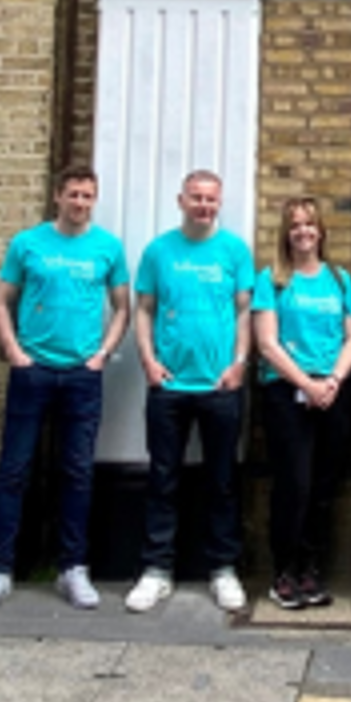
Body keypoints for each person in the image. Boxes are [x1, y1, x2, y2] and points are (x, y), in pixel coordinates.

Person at [0, 166, 130, 618]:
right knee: (13, 471)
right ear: (57, 197)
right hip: (33, 370)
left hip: (82, 374)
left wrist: (102, 354)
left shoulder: (107, 247)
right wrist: (14, 351)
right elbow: (0, 301)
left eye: (88, 196)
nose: (80, 203)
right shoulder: (28, 243)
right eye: (73, 194)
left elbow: (123, 306)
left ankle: (73, 567)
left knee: (76, 473)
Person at [125, 169, 255, 616]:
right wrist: (148, 360)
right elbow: (144, 310)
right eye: (196, 198)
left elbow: (244, 314)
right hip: (169, 385)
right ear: (181, 200)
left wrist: (238, 363)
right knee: (163, 478)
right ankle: (156, 570)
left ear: (220, 203)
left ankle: (223, 569)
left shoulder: (234, 250)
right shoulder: (159, 251)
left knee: (222, 481)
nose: (204, 206)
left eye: (211, 199)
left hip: (220, 386)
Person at [252, 196, 351, 611]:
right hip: (287, 392)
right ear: (286, 232)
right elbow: (267, 343)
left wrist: (333, 379)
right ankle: (284, 571)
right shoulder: (273, 280)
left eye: (310, 224)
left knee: (323, 486)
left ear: (321, 231)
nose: (303, 231)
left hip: (333, 391)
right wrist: (305, 383)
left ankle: (311, 571)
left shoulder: (339, 279)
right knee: (293, 484)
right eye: (295, 225)